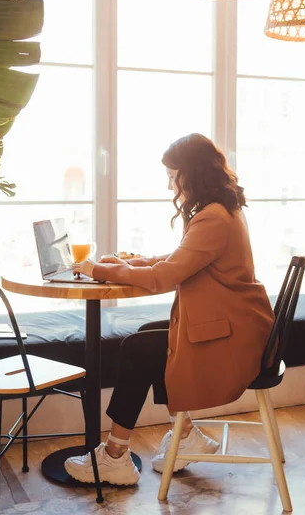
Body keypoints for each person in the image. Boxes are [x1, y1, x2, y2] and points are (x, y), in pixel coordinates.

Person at [64, 133, 274, 486]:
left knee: (137, 349)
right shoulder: (219, 211)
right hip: (238, 326)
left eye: (171, 175)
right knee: (150, 336)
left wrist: (98, 269)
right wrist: (127, 262)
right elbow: (179, 259)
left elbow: (164, 277)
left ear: (190, 174)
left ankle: (115, 455)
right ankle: (187, 432)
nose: (169, 185)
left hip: (235, 341)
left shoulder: (213, 219)